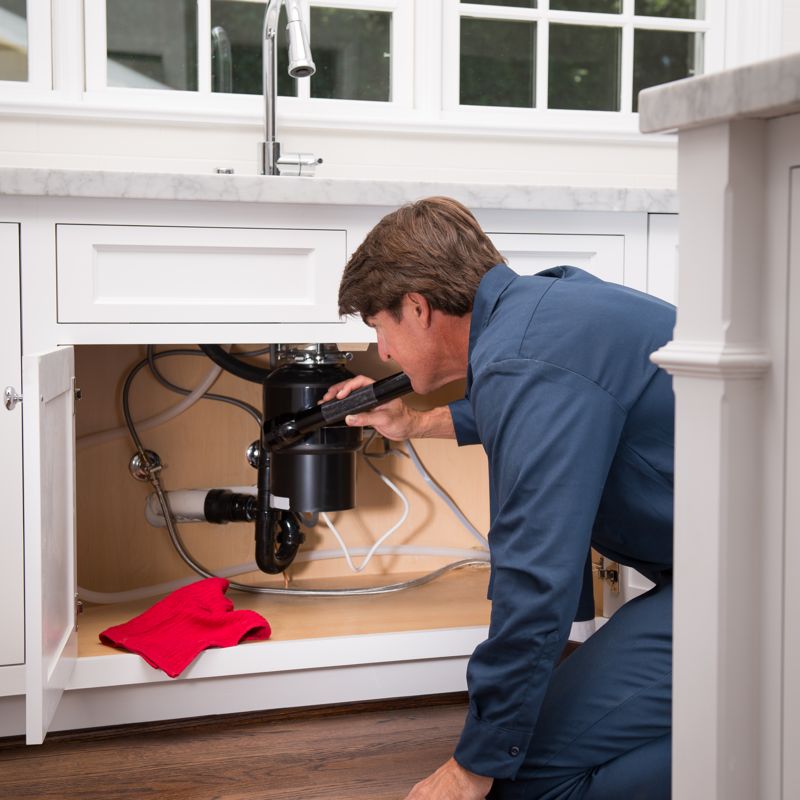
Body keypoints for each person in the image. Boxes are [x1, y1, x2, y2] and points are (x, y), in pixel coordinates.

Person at [321, 196, 675, 800]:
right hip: (741, 564)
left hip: (757, 588)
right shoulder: (544, 308)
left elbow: (535, 578)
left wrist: (472, 766)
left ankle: (767, 749)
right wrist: (412, 421)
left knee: (524, 779)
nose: (382, 352)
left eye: (379, 329)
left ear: (417, 307)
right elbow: (542, 409)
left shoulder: (523, 362)